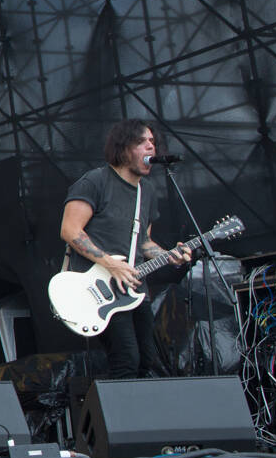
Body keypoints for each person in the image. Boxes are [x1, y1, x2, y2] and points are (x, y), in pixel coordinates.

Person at [59, 119, 192, 379]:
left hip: (133, 289)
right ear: (124, 147)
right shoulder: (95, 181)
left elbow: (144, 242)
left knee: (147, 361)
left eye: (153, 142)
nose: (151, 147)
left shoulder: (148, 192)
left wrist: (168, 256)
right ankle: (119, 418)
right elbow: (70, 230)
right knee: (126, 359)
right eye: (143, 142)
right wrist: (112, 264)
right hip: (99, 287)